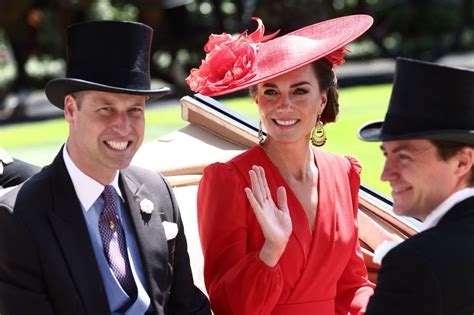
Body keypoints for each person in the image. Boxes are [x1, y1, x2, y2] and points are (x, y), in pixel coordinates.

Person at [0, 20, 210, 315]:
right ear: (71, 109)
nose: (123, 127)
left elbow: (188, 307)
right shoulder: (18, 217)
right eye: (106, 109)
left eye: (135, 110)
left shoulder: (156, 191)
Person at [187, 15, 375, 314]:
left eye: (300, 91)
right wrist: (270, 251)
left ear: (322, 101)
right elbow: (226, 305)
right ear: (257, 100)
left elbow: (352, 284)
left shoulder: (343, 172)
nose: (283, 105)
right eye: (270, 92)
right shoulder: (229, 180)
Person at [358, 58, 474, 314]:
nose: (385, 175)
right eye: (387, 155)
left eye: (404, 157)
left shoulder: (414, 265)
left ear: (462, 161)